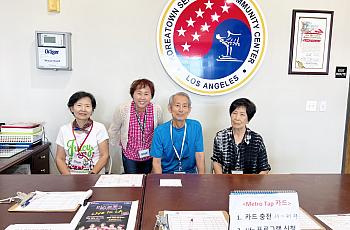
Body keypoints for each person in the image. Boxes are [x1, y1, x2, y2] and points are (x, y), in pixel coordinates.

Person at [109, 79, 162, 174]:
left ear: (151, 96)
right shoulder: (123, 109)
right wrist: (120, 144)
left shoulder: (156, 110)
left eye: (146, 94)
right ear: (133, 94)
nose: (142, 97)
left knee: (147, 181)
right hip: (130, 155)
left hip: (150, 154)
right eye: (139, 93)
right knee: (132, 182)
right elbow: (113, 130)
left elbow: (160, 131)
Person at [211, 98, 271, 174]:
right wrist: (222, 182)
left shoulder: (256, 139)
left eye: (242, 114)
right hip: (226, 183)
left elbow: (264, 168)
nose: (237, 118)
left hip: (251, 183)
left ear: (248, 119)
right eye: (234, 113)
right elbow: (217, 162)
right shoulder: (221, 136)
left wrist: (254, 184)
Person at [55, 91, 109, 175]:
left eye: (87, 106)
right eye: (79, 105)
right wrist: (67, 177)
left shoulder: (99, 128)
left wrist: (92, 175)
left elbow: (104, 155)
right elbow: (60, 158)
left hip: (93, 175)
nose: (83, 109)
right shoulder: (64, 130)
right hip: (70, 177)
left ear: (92, 110)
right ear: (72, 108)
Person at [151, 92, 205, 174]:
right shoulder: (160, 131)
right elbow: (156, 162)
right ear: (170, 108)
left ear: (189, 109)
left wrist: (202, 179)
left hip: (190, 174)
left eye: (184, 106)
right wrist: (160, 182)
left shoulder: (196, 127)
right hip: (167, 174)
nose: (181, 110)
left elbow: (199, 155)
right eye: (177, 105)